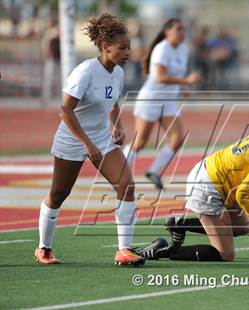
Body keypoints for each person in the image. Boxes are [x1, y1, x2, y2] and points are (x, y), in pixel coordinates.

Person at [34, 14, 145, 267]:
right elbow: (65, 110)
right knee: (59, 193)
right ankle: (44, 248)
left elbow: (113, 102)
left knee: (126, 184)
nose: (128, 52)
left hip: (100, 138)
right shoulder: (85, 72)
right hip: (72, 138)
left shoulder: (117, 72)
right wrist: (87, 143)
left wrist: (116, 125)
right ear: (106, 47)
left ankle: (124, 250)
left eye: (129, 47)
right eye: (122, 48)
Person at [139, 104, 249, 262]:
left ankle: (179, 224)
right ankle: (164, 251)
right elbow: (243, 193)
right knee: (225, 254)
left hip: (211, 175)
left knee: (242, 227)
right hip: (208, 185)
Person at [123, 18, 201, 190]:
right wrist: (186, 80)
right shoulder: (162, 48)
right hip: (151, 99)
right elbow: (160, 76)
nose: (182, 32)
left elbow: (176, 73)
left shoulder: (183, 49)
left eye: (183, 29)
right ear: (167, 32)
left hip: (168, 100)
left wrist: (183, 86)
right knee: (140, 141)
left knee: (177, 138)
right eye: (178, 29)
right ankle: (118, 172)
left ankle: (155, 171)